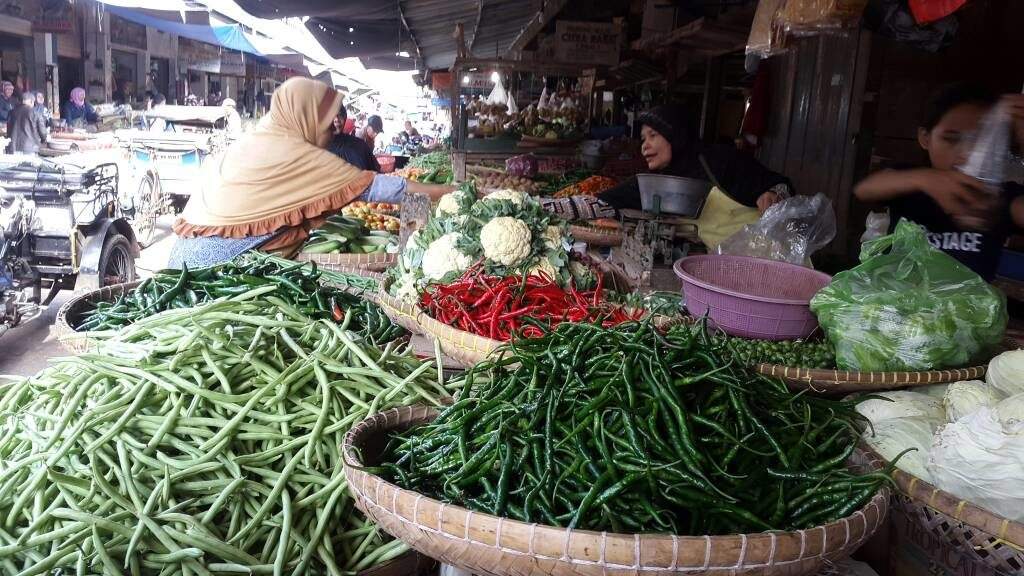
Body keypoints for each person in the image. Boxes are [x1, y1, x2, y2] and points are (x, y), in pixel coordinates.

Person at [169, 77, 454, 268]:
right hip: (217, 262)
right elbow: (375, 187)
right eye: (327, 123)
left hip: (183, 256)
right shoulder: (291, 152)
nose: (333, 131)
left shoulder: (259, 139)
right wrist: (446, 191)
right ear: (305, 116)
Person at [854, 83, 1024, 280]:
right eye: (951, 139)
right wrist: (925, 179)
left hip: (967, 300)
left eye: (980, 142)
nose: (965, 153)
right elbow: (864, 189)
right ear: (925, 138)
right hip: (899, 296)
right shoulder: (911, 184)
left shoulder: (1001, 198)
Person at [593, 103, 791, 248]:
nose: (644, 146)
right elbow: (604, 200)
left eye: (653, 135)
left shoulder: (721, 161)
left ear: (674, 134)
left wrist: (774, 194)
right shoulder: (656, 183)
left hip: (770, 260)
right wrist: (574, 207)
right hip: (724, 268)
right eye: (643, 139)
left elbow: (781, 185)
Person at [327, 103, 380, 172]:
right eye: (331, 115)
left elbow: (376, 173)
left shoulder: (360, 146)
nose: (336, 119)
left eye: (340, 115)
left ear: (345, 117)